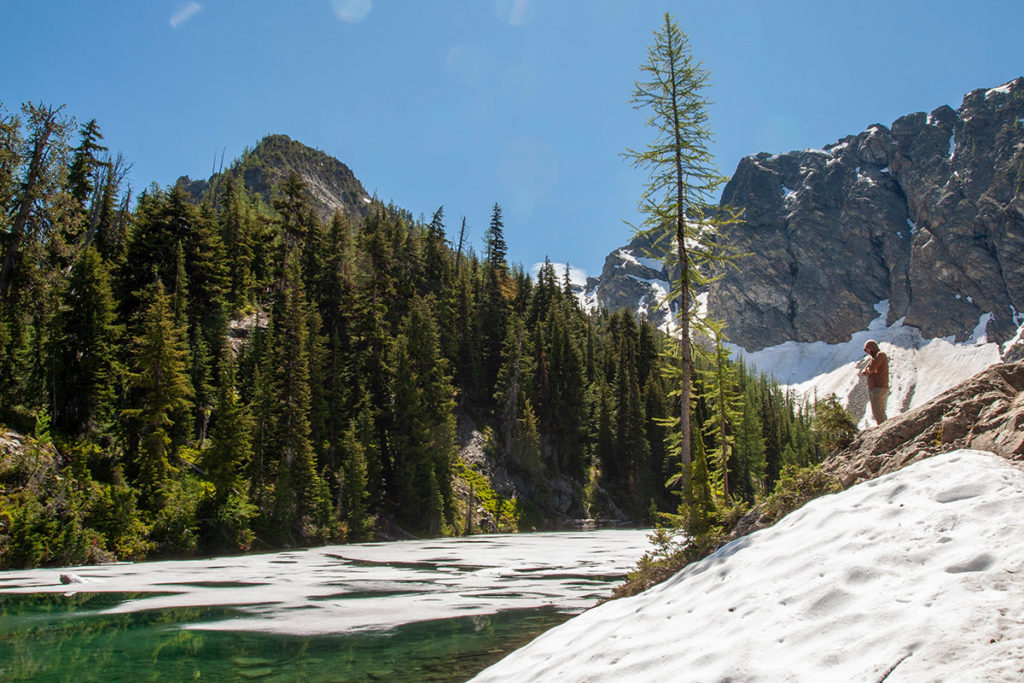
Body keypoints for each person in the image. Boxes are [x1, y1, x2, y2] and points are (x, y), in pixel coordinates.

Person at [860, 339, 889, 425]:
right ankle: (886, 426)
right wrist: (868, 370)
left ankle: (883, 428)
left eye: (867, 349)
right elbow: (866, 370)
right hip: (877, 388)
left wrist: (869, 370)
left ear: (872, 347)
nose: (868, 352)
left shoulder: (880, 355)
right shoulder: (874, 358)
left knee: (877, 412)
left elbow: (870, 369)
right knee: (880, 411)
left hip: (878, 387)